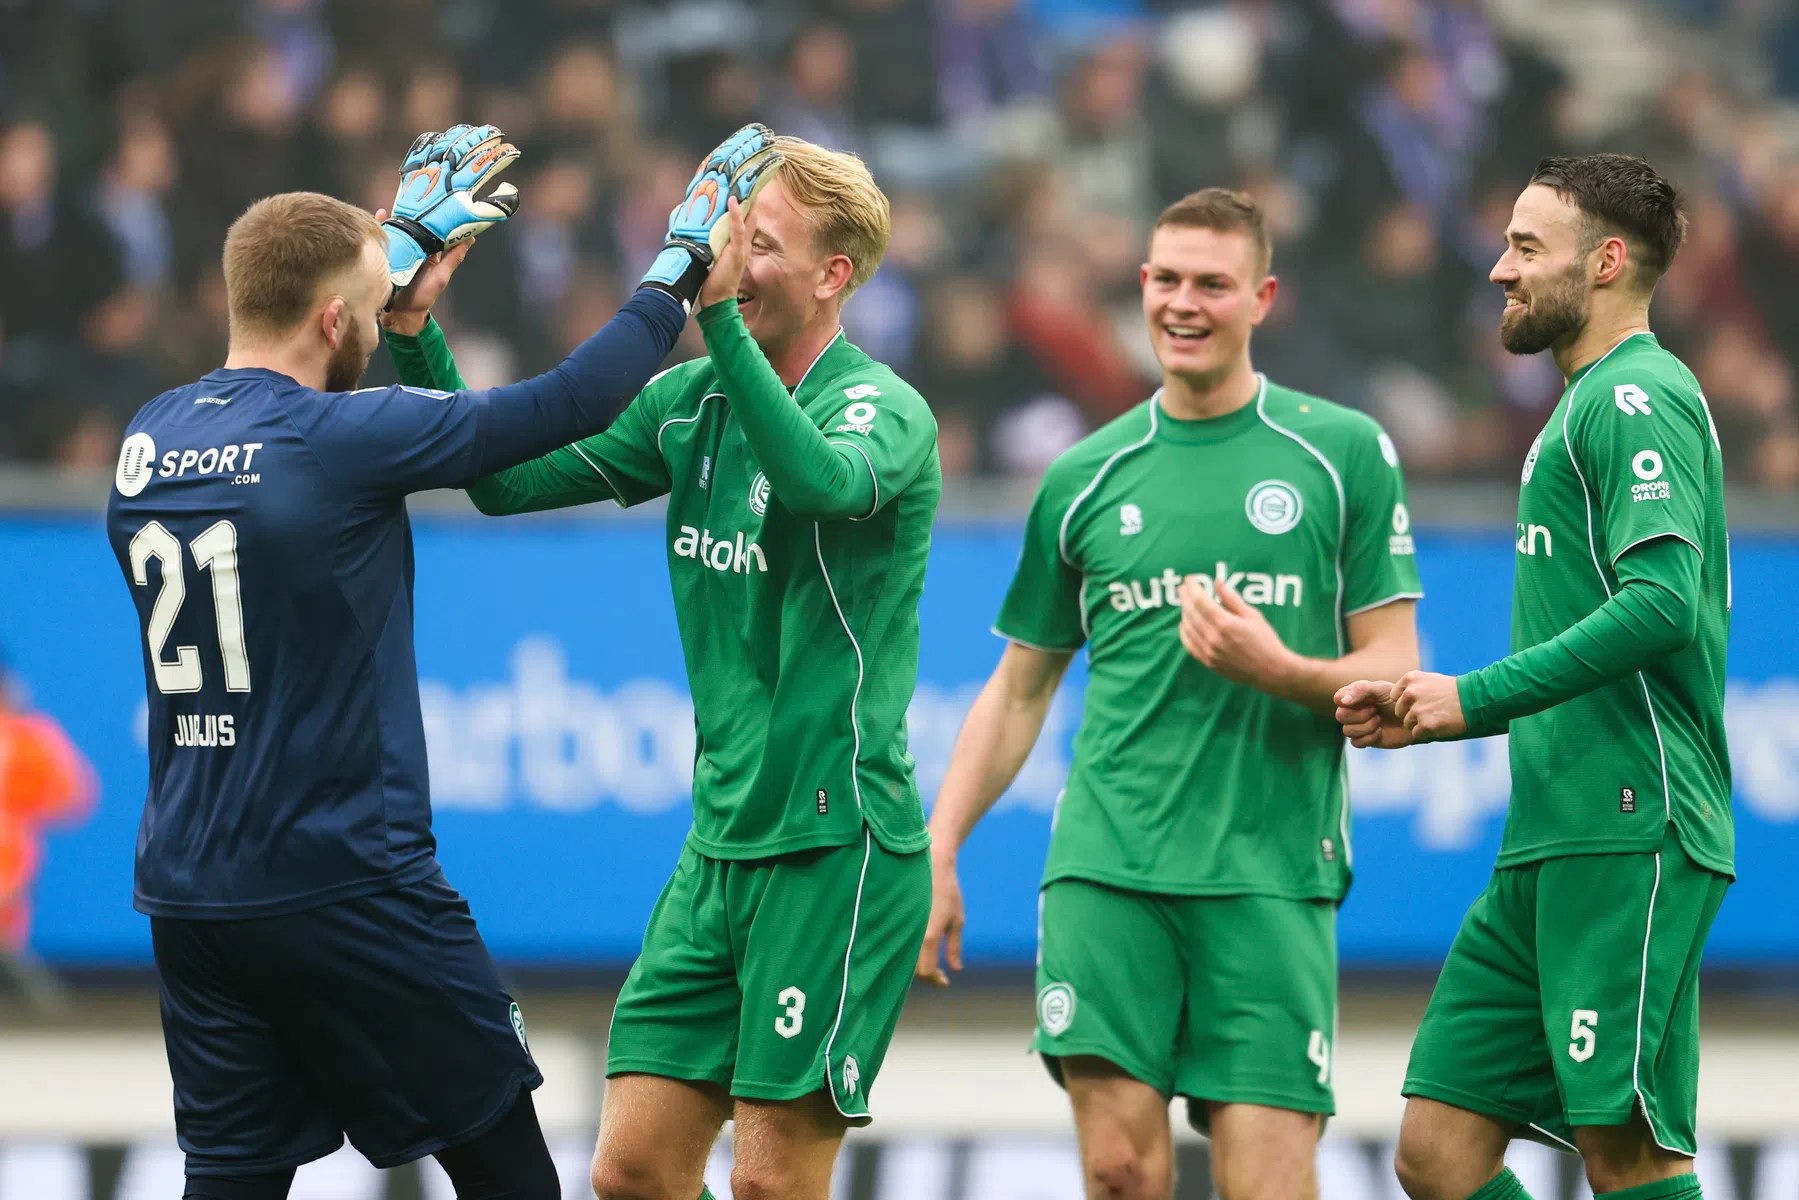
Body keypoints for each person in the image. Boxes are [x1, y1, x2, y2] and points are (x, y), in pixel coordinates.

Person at [104, 121, 779, 1200]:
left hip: (191, 894)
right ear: (335, 319)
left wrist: (388, 260)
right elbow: (562, 407)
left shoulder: (149, 438)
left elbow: (283, 406)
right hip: (348, 885)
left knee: (229, 1184)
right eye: (368, 316)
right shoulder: (340, 438)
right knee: (511, 1175)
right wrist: (672, 273)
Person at [382, 135, 940, 1200]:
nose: (724, 260)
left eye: (758, 245)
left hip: (834, 841)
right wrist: (411, 330)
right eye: (726, 237)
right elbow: (501, 484)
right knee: (631, 1167)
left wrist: (718, 314)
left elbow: (821, 482)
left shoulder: (881, 409)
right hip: (718, 842)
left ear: (834, 278)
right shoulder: (685, 403)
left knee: (772, 1181)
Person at [917, 188, 1424, 1200]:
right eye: (1165, 279)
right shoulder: (1082, 477)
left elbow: (1396, 668)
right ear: (1140, 285)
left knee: (1269, 1184)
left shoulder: (1341, 455)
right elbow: (1018, 691)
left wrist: (1277, 669)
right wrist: (935, 847)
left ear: (1261, 297)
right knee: (1114, 1173)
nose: (1182, 303)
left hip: (1268, 873)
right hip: (1109, 865)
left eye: (1211, 284)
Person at [1336, 155, 1730, 1200]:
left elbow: (1660, 606)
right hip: (1545, 837)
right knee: (1435, 1156)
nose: (1498, 270)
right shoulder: (1577, 404)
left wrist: (1468, 698)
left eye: (1523, 246)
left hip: (1628, 821)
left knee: (1628, 1155)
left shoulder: (1636, 396)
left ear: (1604, 262)